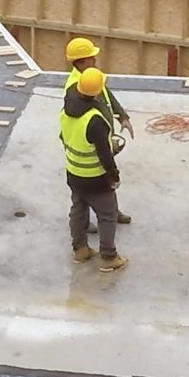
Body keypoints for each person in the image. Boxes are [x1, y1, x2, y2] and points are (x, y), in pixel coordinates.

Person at [63, 37, 133, 225]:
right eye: (92, 57)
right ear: (82, 61)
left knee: (101, 186)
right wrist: (101, 136)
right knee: (92, 188)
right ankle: (84, 225)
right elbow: (74, 116)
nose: (95, 59)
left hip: (100, 137)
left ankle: (111, 212)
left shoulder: (90, 77)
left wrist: (122, 115)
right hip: (91, 144)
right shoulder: (74, 89)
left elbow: (106, 94)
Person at [61, 67, 125, 272]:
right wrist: (113, 174)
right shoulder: (95, 120)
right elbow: (104, 154)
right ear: (97, 92)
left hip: (73, 172)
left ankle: (80, 250)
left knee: (78, 210)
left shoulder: (66, 111)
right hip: (95, 177)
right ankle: (108, 257)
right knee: (107, 215)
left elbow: (65, 138)